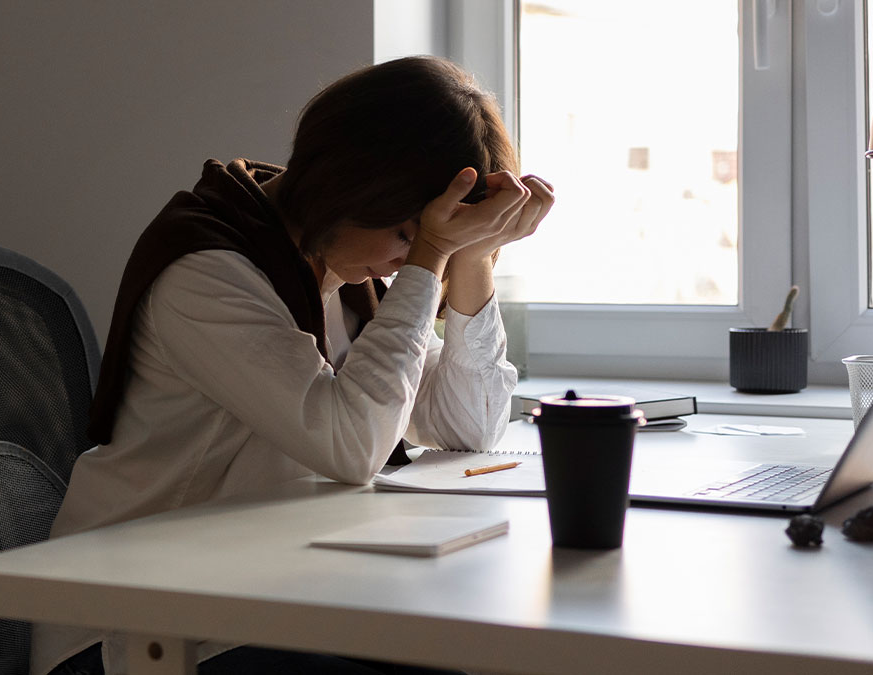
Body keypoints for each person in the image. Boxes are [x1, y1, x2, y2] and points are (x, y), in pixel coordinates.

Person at [32, 55, 554, 675]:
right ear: (352, 188)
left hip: (264, 587)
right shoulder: (208, 270)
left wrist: (472, 254)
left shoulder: (340, 268)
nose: (402, 263)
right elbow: (350, 444)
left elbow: (468, 428)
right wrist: (433, 254)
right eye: (404, 235)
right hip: (139, 623)